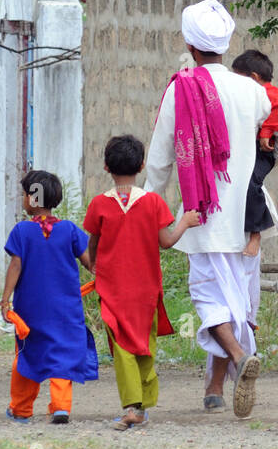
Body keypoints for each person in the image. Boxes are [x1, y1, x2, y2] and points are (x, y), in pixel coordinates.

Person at [144, 0, 278, 419]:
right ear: (225, 42)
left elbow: (160, 159)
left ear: (190, 45)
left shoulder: (183, 88)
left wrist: (146, 206)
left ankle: (236, 358)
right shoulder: (253, 90)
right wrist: (261, 160)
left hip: (203, 214)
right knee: (240, 302)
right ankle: (216, 387)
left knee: (210, 297)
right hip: (250, 216)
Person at [83, 135, 201, 431]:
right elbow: (166, 242)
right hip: (146, 289)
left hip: (112, 289)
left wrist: (93, 266)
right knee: (143, 345)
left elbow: (92, 245)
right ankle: (143, 405)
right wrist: (184, 222)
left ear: (106, 166)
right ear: (142, 165)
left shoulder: (99, 204)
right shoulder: (153, 202)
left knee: (122, 347)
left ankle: (134, 407)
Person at [0, 169, 98, 425]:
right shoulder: (70, 230)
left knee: (28, 354)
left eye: (23, 194)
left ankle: (21, 410)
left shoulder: (21, 231)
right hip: (65, 310)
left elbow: (15, 266)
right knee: (62, 354)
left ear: (32, 199)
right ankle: (61, 407)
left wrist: (5, 299)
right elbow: (91, 263)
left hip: (30, 310)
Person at [230, 49, 278, 258]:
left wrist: (266, 131)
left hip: (263, 152)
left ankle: (256, 234)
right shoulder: (256, 94)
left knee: (250, 182)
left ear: (254, 78)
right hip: (254, 150)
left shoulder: (268, 93)